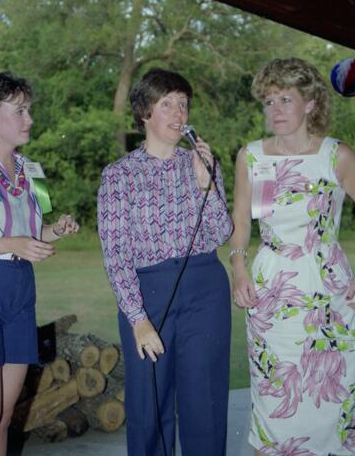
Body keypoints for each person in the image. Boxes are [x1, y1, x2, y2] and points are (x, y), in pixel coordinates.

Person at [230, 58, 355, 455]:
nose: (275, 110)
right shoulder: (252, 157)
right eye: (269, 101)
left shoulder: (336, 156)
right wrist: (239, 268)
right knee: (275, 396)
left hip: (327, 288)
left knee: (336, 393)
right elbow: (241, 220)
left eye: (285, 99)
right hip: (271, 290)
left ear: (310, 103)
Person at [98, 67, 233, 456]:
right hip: (148, 293)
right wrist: (138, 319)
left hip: (206, 286)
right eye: (167, 103)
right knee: (150, 405)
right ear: (144, 112)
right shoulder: (118, 176)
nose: (179, 113)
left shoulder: (201, 165)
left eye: (183, 104)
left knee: (204, 402)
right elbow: (116, 254)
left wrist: (204, 183)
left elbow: (221, 233)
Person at [0, 71, 79, 456]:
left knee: (6, 412)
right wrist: (17, 243)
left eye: (29, 110)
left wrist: (58, 230)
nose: (29, 119)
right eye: (19, 111)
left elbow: (39, 231)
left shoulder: (36, 172)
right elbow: (19, 240)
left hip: (21, 291)